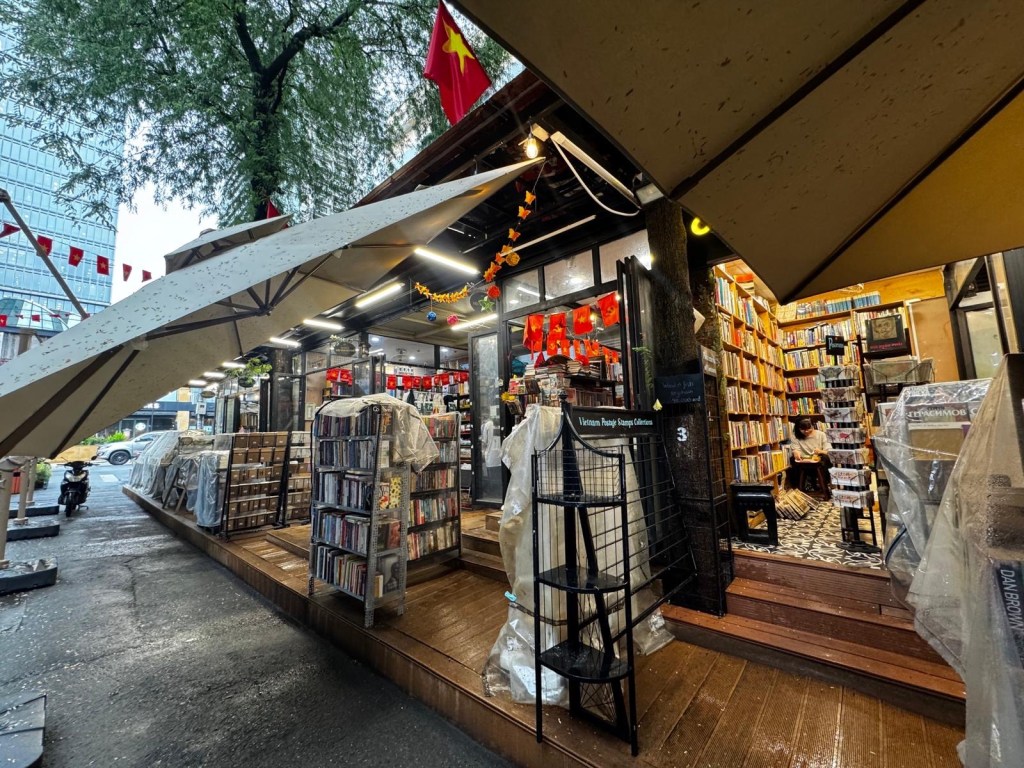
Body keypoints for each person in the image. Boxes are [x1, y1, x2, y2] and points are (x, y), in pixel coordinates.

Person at [787, 418, 832, 492]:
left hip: (819, 461)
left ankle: (825, 485)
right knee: (792, 459)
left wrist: (820, 451)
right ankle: (799, 488)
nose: (806, 431)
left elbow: (829, 451)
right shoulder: (795, 436)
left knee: (826, 458)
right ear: (798, 429)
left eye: (809, 428)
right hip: (803, 461)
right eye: (803, 429)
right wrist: (796, 452)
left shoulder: (821, 434)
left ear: (813, 426)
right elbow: (796, 450)